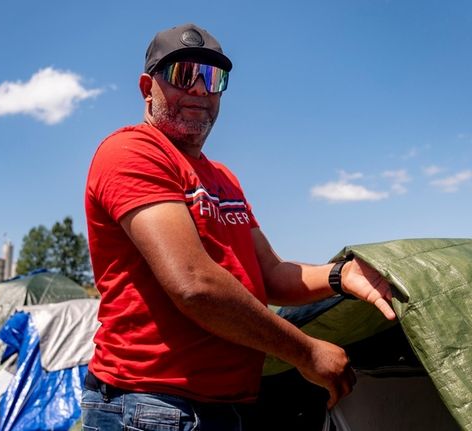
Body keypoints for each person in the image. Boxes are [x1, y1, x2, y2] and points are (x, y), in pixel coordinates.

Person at [82, 23, 396, 430]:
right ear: (147, 87)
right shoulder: (131, 152)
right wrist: (306, 352)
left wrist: (341, 275)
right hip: (151, 404)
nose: (199, 88)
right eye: (182, 74)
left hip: (221, 406)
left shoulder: (223, 178)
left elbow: (272, 275)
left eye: (213, 78)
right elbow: (194, 283)